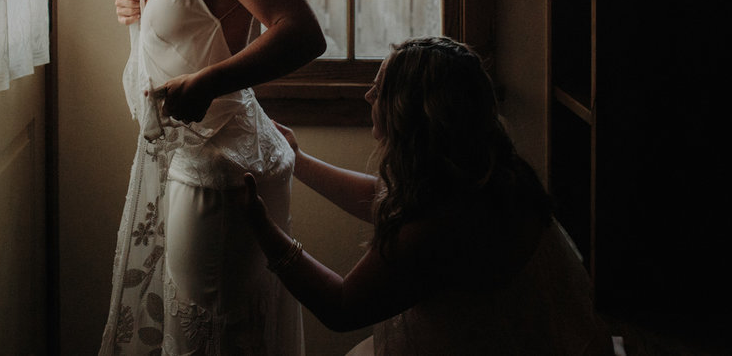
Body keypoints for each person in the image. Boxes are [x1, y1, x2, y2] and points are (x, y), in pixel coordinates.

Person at [98, 0, 325, 356]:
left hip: (219, 167)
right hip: (207, 157)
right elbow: (201, 23)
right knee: (214, 319)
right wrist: (143, 6)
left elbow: (303, 34)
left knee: (212, 324)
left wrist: (206, 81)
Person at [244, 37, 616, 355]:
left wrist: (265, 230)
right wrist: (299, 161)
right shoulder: (480, 172)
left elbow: (342, 307)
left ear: (412, 111)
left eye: (381, 89)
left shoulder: (446, 219)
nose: (368, 95)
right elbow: (385, 197)